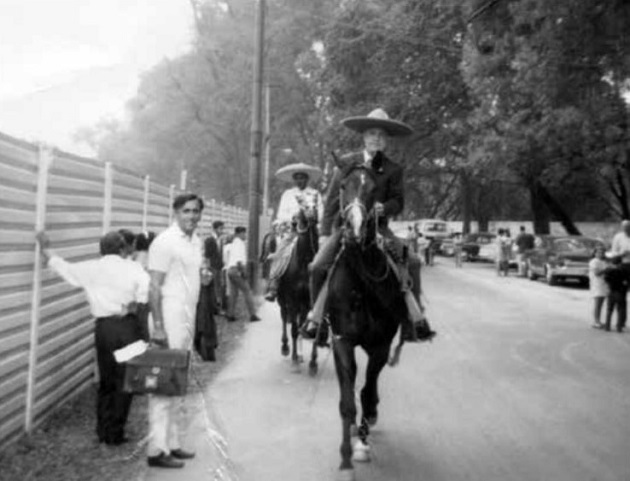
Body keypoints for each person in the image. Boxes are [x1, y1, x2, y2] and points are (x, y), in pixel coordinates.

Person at [306, 108, 427, 341]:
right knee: (317, 266)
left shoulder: (393, 169)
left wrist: (386, 207)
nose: (376, 138)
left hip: (378, 229)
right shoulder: (347, 163)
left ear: (387, 139)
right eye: (372, 133)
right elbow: (331, 201)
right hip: (346, 230)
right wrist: (323, 233)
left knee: (412, 261)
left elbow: (398, 201)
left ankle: (414, 319)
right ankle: (317, 320)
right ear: (363, 136)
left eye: (382, 135)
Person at [36, 230, 149, 446]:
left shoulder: (91, 268)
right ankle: (115, 433)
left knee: (106, 380)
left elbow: (61, 265)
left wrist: (45, 247)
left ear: (102, 249)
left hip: (104, 330)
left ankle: (103, 430)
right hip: (127, 329)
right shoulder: (134, 268)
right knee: (125, 380)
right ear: (122, 248)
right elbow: (145, 296)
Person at [146, 193, 205, 468]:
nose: (192, 216)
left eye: (195, 211)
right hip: (167, 319)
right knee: (162, 386)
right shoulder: (164, 242)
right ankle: (156, 451)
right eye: (186, 211)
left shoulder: (196, 241)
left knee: (178, 384)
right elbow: (154, 286)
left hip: (186, 318)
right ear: (175, 212)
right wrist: (158, 326)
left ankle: (173, 444)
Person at [264, 162, 323, 302]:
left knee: (325, 249)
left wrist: (313, 217)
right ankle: (274, 283)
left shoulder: (315, 194)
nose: (300, 180)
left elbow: (321, 213)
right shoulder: (287, 194)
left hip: (311, 230)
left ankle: (325, 285)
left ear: (307, 179)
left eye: (302, 178)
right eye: (297, 178)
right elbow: (280, 215)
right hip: (292, 230)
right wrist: (293, 217)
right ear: (294, 180)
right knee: (281, 249)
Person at [225, 226, 260, 322]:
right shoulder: (240, 244)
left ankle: (230, 314)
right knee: (247, 290)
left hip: (230, 270)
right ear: (239, 234)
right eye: (244, 233)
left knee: (233, 293)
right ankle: (253, 315)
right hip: (237, 270)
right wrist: (244, 273)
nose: (245, 235)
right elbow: (239, 261)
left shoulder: (233, 243)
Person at [205, 220, 225, 314]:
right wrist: (209, 269)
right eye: (220, 229)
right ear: (215, 229)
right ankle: (216, 309)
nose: (222, 231)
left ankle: (216, 308)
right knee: (215, 288)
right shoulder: (210, 240)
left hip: (218, 267)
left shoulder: (219, 240)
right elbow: (207, 255)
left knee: (218, 288)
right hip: (213, 267)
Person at [603, 256, 627, 333]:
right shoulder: (623, 271)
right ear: (620, 262)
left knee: (609, 309)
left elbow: (605, 279)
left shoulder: (608, 271)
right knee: (620, 310)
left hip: (611, 291)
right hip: (620, 292)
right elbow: (626, 282)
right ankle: (619, 327)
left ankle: (607, 326)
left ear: (612, 262)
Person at [589, 245, 609, 329]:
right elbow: (597, 273)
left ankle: (598, 320)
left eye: (602, 252)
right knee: (598, 303)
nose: (601, 254)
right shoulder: (594, 261)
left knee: (601, 304)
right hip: (597, 284)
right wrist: (606, 269)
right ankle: (596, 321)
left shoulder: (604, 261)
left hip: (604, 284)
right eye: (599, 252)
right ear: (595, 253)